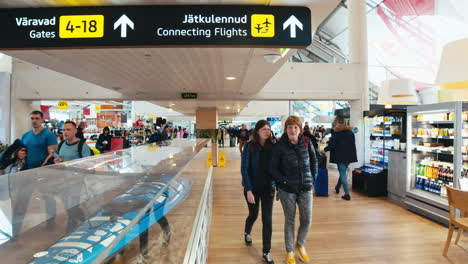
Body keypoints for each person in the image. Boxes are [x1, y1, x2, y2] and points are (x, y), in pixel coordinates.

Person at [271, 116, 317, 264]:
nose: (293, 130)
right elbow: (273, 169)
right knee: (289, 221)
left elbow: (314, 161)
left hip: (305, 188)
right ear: (286, 129)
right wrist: (283, 182)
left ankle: (300, 244)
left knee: (307, 219)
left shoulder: (306, 142)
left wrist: (312, 180)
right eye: (290, 127)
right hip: (287, 190)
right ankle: (290, 250)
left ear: (300, 129)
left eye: (295, 127)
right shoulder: (279, 146)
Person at [241, 120, 275, 264]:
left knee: (267, 219)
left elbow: (277, 168)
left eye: (268, 129)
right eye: (263, 129)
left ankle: (266, 251)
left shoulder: (273, 146)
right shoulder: (249, 147)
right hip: (253, 188)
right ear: (257, 131)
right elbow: (244, 169)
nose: (266, 132)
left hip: (268, 189)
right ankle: (247, 232)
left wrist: (278, 187)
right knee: (253, 214)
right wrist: (248, 190)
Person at [324, 116, 358, 201]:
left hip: (340, 156)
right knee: (342, 172)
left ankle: (347, 194)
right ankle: (337, 187)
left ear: (337, 123)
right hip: (349, 156)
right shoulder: (350, 132)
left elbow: (332, 145)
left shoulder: (336, 133)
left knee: (342, 173)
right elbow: (352, 143)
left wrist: (325, 149)